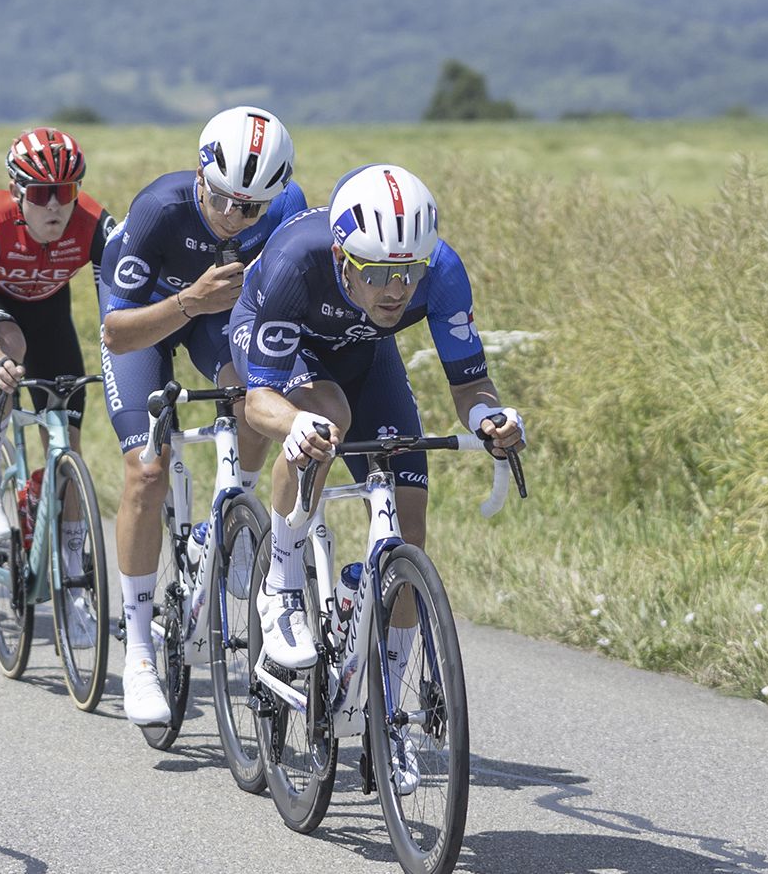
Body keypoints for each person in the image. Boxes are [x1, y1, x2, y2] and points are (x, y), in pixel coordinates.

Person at [230, 165, 525, 704]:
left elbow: (471, 384)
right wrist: (297, 425)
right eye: (379, 273)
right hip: (281, 340)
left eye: (410, 271)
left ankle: (385, 702)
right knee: (327, 412)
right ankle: (281, 581)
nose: (398, 289)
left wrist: (490, 418)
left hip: (365, 349)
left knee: (409, 525)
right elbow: (258, 403)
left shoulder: (442, 269)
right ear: (343, 258)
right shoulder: (298, 260)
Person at [95, 106, 305, 725]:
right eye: (222, 200)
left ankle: (230, 517)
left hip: (223, 319)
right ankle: (136, 655)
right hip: (151, 319)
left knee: (255, 399)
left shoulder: (286, 209)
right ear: (200, 173)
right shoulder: (160, 209)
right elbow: (115, 333)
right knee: (147, 472)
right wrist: (189, 300)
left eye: (252, 209)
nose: (234, 217)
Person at [0, 128, 113, 547]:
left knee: (67, 445)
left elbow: (116, 317)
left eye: (65, 190)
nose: (56, 204)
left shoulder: (95, 225)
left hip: (48, 311)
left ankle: (73, 562)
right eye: (41, 194)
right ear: (16, 191)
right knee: (8, 347)